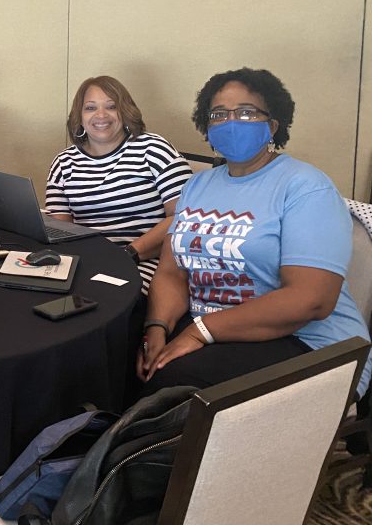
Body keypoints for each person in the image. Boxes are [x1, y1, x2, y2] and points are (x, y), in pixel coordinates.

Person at [137, 68, 371, 398]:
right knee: (125, 350)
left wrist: (199, 331)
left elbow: (311, 300)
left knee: (173, 379)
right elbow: (171, 272)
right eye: (219, 114)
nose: (231, 122)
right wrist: (157, 327)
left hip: (310, 345)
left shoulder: (306, 187)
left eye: (247, 112)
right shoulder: (197, 186)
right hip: (211, 329)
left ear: (273, 125)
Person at [45, 76, 193, 293]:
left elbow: (185, 217)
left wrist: (129, 253)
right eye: (90, 108)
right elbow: (62, 231)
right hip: (87, 262)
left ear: (125, 112)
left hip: (146, 260)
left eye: (111, 106)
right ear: (79, 116)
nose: (101, 115)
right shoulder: (64, 163)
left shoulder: (154, 149)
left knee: (102, 299)